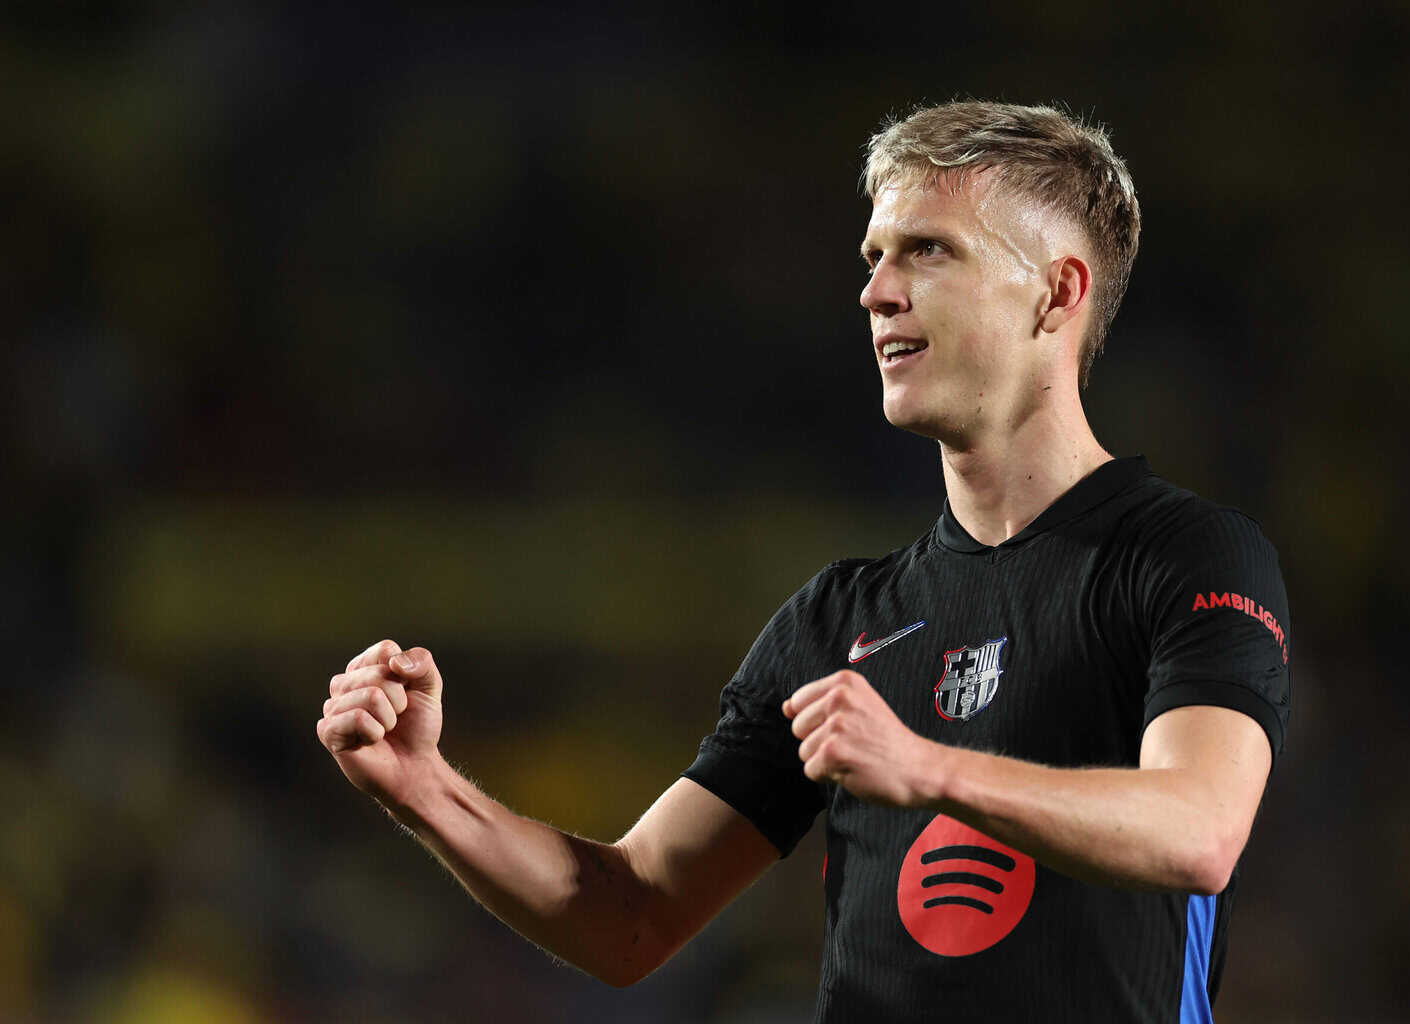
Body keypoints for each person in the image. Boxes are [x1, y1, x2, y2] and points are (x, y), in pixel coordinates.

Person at [317, 101, 1290, 1022]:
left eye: (928, 251)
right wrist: (425, 789)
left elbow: (1199, 829)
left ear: (1057, 292)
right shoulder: (839, 621)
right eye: (874, 256)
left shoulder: (1183, 555)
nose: (875, 291)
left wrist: (926, 767)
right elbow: (632, 913)